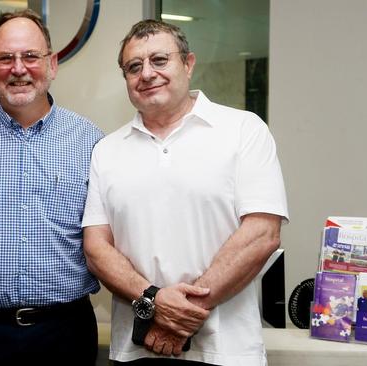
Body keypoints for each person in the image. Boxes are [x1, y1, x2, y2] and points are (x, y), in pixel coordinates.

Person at [82, 19, 289, 365]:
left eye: (159, 60)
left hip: (228, 351)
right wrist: (154, 301)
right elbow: (96, 248)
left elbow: (262, 234)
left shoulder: (243, 130)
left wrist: (182, 315)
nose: (147, 74)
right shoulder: (107, 149)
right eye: (134, 67)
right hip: (136, 350)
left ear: (188, 64)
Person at [0, 9, 104, 366]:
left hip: (65, 335)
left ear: (52, 64)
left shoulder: (90, 142)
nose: (18, 68)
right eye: (5, 58)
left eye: (31, 56)